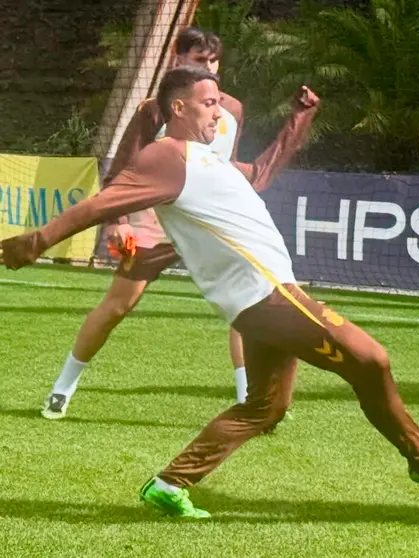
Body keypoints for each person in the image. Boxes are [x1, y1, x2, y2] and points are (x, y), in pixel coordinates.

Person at [1, 66, 419, 518]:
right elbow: (102, 203)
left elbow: (258, 174)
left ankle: (171, 483)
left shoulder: (206, 160)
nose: (220, 110)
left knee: (265, 407)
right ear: (178, 109)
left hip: (261, 302)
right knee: (372, 359)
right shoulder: (165, 157)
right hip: (268, 296)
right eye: (210, 103)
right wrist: (38, 240)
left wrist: (298, 123)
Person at [41, 27, 258, 420]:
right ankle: (62, 388)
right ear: (178, 61)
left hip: (209, 225)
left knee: (246, 304)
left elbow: (226, 167)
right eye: (198, 59)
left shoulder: (233, 110)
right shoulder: (153, 110)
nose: (208, 67)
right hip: (155, 224)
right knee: (118, 306)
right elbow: (121, 171)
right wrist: (118, 222)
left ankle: (249, 399)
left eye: (212, 60)